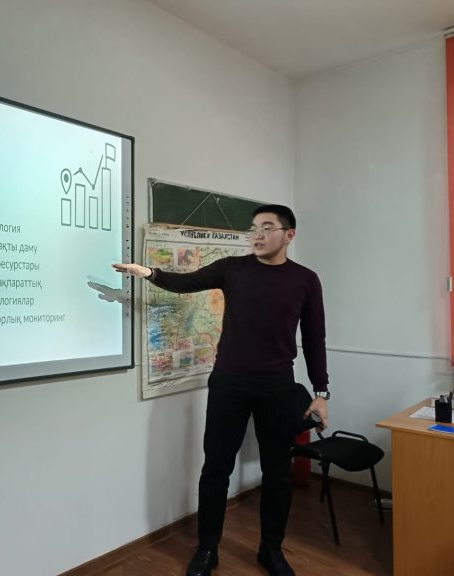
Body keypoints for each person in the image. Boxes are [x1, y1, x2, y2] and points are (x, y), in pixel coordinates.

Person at [113, 205, 329, 576]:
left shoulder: (305, 280)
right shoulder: (232, 268)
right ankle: (207, 548)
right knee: (216, 468)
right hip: (229, 383)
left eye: (267, 227)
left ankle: (271, 550)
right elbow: (186, 282)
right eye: (253, 228)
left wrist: (321, 392)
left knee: (278, 472)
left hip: (277, 386)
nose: (257, 235)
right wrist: (148, 272)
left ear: (289, 235)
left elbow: (314, 338)